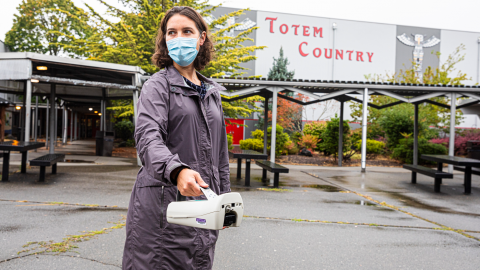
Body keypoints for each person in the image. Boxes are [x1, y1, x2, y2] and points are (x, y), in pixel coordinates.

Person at [122, 6, 231, 270]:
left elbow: (220, 155)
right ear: (164, 39)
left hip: (203, 207)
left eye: (186, 31)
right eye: (171, 32)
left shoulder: (211, 92)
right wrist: (177, 170)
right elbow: (148, 138)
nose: (178, 37)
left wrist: (225, 200)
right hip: (163, 210)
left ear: (201, 37)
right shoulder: (157, 86)